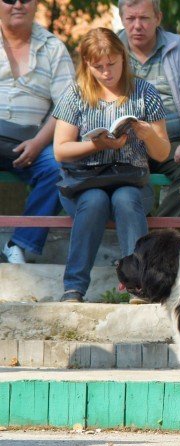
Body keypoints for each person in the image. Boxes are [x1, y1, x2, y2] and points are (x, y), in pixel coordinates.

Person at [53, 28, 169, 303]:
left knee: (126, 197)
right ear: (88, 65)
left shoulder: (144, 92)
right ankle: (73, 288)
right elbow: (60, 150)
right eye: (98, 67)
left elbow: (163, 153)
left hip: (130, 182)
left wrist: (148, 135)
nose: (106, 72)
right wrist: (97, 145)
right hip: (83, 184)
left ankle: (139, 287)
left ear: (123, 58)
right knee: (94, 201)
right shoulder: (76, 94)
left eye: (112, 64)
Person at [118, 0, 180, 217]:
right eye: (131, 19)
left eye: (144, 18)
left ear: (158, 18)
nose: (137, 26)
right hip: (124, 144)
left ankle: (161, 238)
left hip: (174, 142)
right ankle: (144, 240)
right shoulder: (110, 48)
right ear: (122, 19)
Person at [0, 0, 74, 264]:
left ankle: (19, 243)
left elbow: (66, 104)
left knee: (61, 167)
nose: (18, 4)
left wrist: (38, 142)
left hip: (33, 139)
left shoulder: (53, 47)